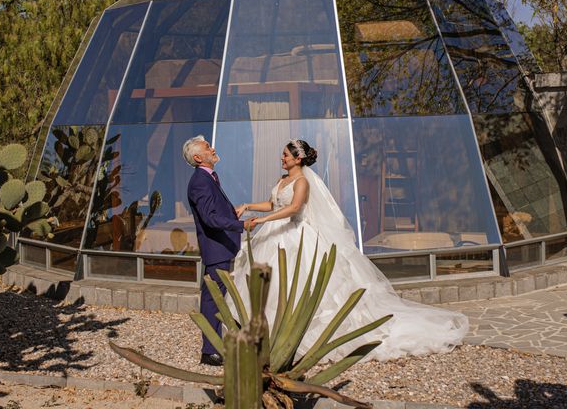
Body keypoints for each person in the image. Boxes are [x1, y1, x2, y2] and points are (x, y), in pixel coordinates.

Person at [231, 139, 468, 361]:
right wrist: (249, 206)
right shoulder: (282, 179)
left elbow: (294, 208)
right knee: (274, 285)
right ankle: (271, 334)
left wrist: (263, 221)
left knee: (298, 282)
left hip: (295, 235)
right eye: (282, 155)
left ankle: (300, 335)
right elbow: (274, 203)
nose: (281, 158)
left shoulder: (302, 182)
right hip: (276, 237)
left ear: (298, 159)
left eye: (285, 155)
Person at [183, 135, 256, 366]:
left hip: (222, 248)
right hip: (216, 250)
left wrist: (232, 214)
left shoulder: (209, 177)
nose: (212, 148)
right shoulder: (199, 182)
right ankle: (210, 351)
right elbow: (209, 219)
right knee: (212, 298)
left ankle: (217, 345)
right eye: (207, 147)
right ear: (198, 157)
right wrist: (240, 225)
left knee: (217, 296)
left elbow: (215, 213)